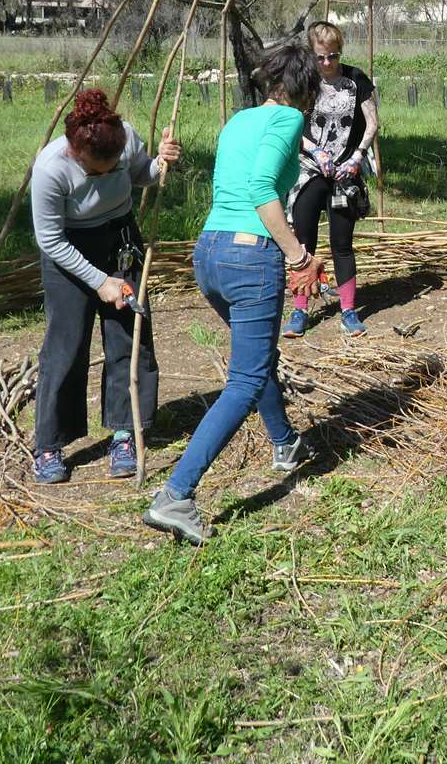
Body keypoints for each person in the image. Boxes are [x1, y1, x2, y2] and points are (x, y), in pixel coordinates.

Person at [144, 38, 324, 545]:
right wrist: (297, 254)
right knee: (244, 382)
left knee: (257, 357)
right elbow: (263, 189)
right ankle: (176, 494)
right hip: (251, 256)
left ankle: (284, 443)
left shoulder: (239, 119)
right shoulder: (288, 120)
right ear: (304, 90)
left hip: (210, 253)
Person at [29, 89, 180, 484]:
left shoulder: (125, 139)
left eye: (111, 166)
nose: (106, 174)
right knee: (66, 345)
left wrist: (160, 163)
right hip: (69, 250)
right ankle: (49, 444)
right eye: (97, 171)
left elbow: (140, 173)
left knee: (130, 337)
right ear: (76, 154)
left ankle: (125, 433)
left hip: (120, 241)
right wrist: (98, 282)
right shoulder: (50, 169)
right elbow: (50, 240)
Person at [284, 21, 379, 338]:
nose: (327, 63)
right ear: (312, 55)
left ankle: (349, 311)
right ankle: (299, 310)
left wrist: (357, 156)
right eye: (321, 57)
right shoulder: (303, 82)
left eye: (333, 56)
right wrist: (314, 151)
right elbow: (291, 123)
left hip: (344, 172)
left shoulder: (356, 80)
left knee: (342, 244)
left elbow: (372, 123)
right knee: (302, 243)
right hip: (310, 169)